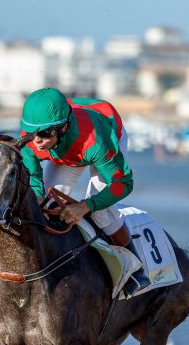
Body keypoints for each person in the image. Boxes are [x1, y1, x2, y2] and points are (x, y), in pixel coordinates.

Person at [18, 87, 150, 297]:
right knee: (42, 205)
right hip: (68, 144)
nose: (37, 141)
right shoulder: (30, 137)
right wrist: (38, 195)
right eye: (33, 134)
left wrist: (85, 206)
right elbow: (34, 178)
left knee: (100, 212)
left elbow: (123, 183)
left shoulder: (95, 144)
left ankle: (136, 268)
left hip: (101, 132)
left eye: (44, 134)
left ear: (62, 128)